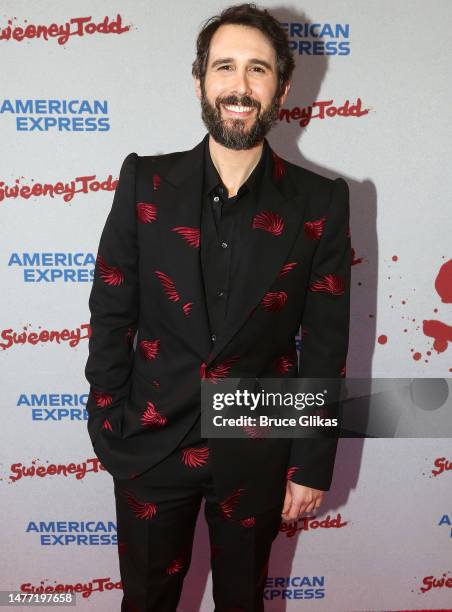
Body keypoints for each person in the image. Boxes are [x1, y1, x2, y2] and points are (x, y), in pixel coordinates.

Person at [84, 3, 351, 610]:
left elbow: (326, 342)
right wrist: (106, 423)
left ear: (281, 88)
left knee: (242, 602)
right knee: (146, 601)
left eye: (257, 70)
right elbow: (111, 313)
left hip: (257, 445)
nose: (240, 84)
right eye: (225, 66)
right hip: (151, 442)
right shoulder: (145, 182)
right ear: (202, 79)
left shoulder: (320, 202)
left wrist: (311, 463)